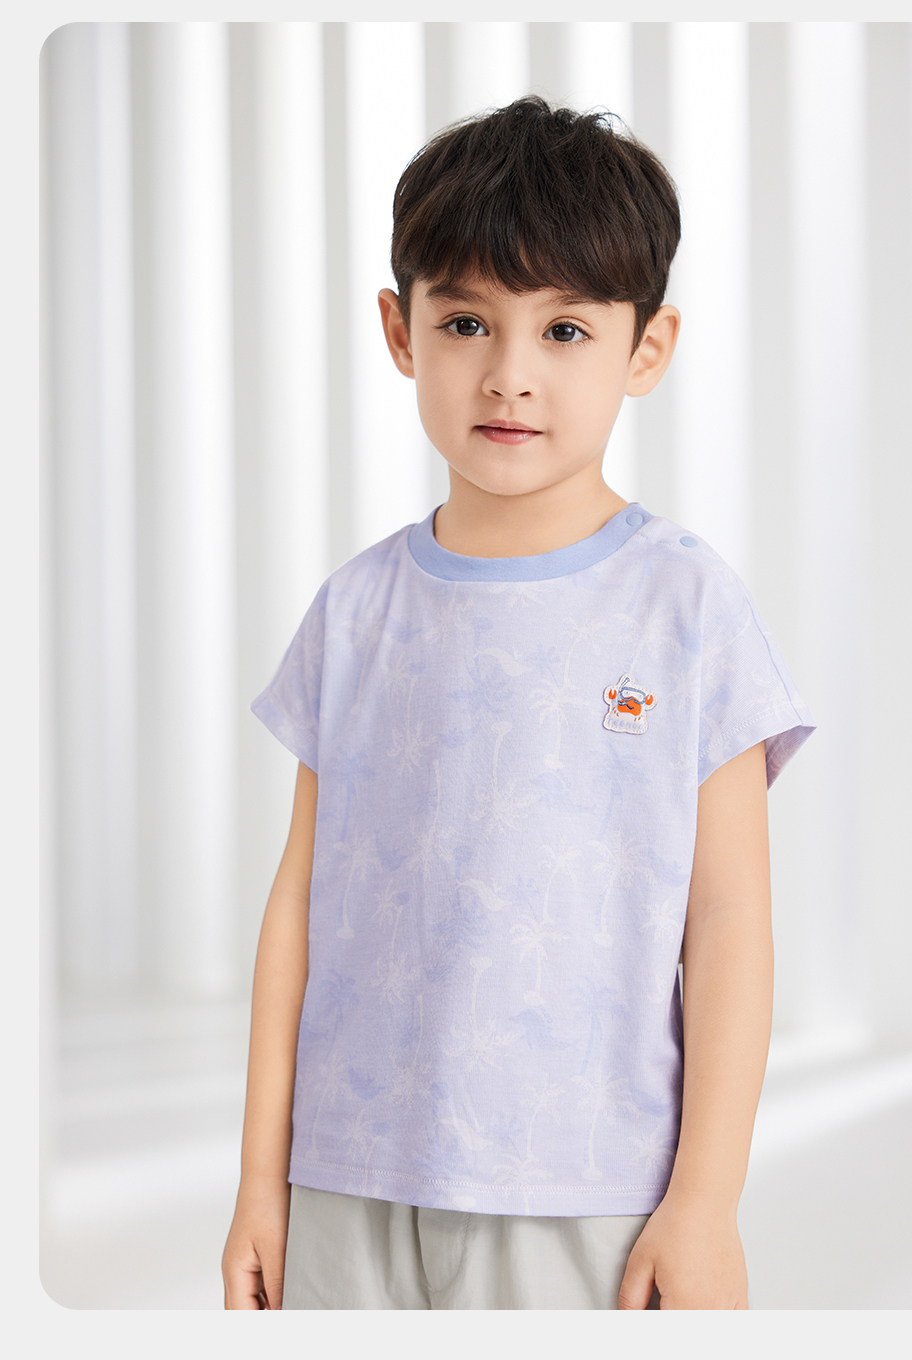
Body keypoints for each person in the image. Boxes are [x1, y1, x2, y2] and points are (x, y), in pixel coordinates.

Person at [222, 95, 815, 1311]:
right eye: (465, 322)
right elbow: (298, 901)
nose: (509, 375)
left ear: (646, 349)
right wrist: (259, 1182)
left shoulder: (685, 604)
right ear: (399, 331)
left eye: (564, 330)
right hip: (348, 1175)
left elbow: (727, 922)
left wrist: (704, 1201)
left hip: (583, 1188)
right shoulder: (357, 609)